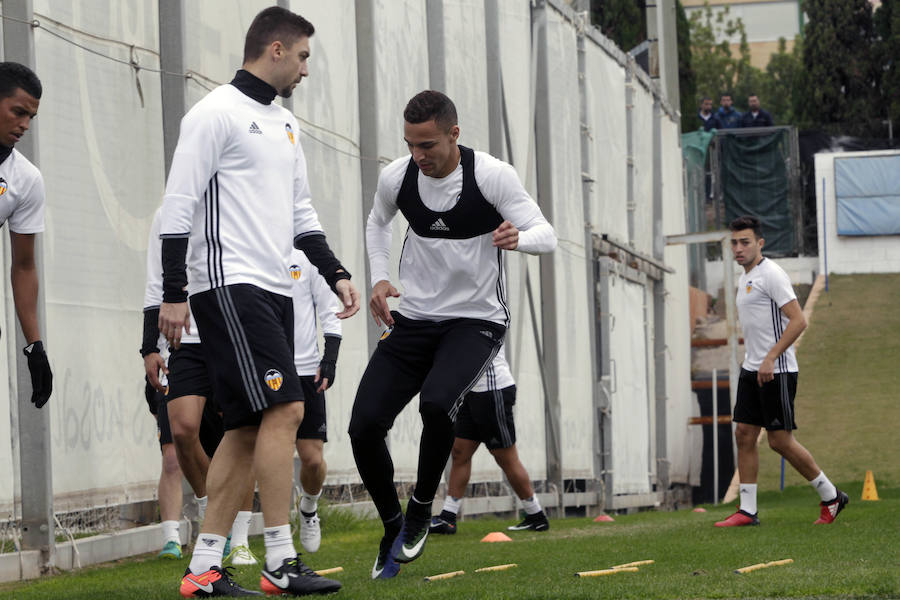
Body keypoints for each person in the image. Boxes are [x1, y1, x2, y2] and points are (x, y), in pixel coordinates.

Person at [158, 6, 358, 597]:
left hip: (275, 291)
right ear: (275, 50)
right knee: (287, 412)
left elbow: (302, 215)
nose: (304, 70)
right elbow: (177, 206)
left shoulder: (285, 125)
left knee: (246, 430)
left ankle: (202, 571)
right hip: (228, 285)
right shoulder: (213, 113)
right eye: (302, 57)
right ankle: (278, 559)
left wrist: (337, 272)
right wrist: (173, 295)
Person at [350, 90, 556, 579]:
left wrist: (518, 239)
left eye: (428, 146)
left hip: (476, 321)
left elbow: (547, 234)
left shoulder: (490, 176)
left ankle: (423, 506)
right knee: (362, 426)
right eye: (411, 145)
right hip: (415, 319)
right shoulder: (397, 177)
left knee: (437, 404)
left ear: (454, 135)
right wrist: (379, 276)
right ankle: (392, 524)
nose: (418, 156)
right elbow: (377, 223)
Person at [715, 216, 847, 527]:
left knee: (779, 441)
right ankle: (747, 511)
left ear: (760, 243)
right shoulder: (745, 277)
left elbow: (799, 320)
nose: (738, 248)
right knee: (744, 434)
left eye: (745, 242)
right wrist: (757, 360)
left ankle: (832, 496)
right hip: (753, 368)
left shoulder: (771, 274)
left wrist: (771, 358)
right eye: (734, 242)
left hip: (777, 370)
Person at [142, 207, 224, 538]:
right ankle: (207, 508)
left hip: (229, 336)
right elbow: (155, 282)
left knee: (235, 439)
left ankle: (237, 533)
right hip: (182, 343)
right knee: (183, 430)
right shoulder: (167, 214)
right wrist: (149, 347)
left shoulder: (236, 202)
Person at [429, 346, 549, 535]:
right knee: (460, 452)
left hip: (492, 390)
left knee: (505, 457)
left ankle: (537, 516)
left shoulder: (482, 315)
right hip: (469, 390)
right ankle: (448, 518)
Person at [0, 62, 52, 408]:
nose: (25, 125)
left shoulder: (26, 179)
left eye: (31, 117)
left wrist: (35, 346)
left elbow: (24, 266)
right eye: (18, 112)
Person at [287, 249, 342, 555]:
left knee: (312, 459)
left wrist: (330, 357)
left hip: (307, 371)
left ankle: (308, 507)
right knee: (272, 454)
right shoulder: (254, 246)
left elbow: (328, 306)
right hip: (269, 369)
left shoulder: (306, 254)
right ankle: (274, 535)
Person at [144, 375, 186, 559]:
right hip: (170, 380)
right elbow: (150, 349)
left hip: (210, 372)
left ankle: (228, 535)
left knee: (215, 455)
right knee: (171, 460)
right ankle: (171, 538)